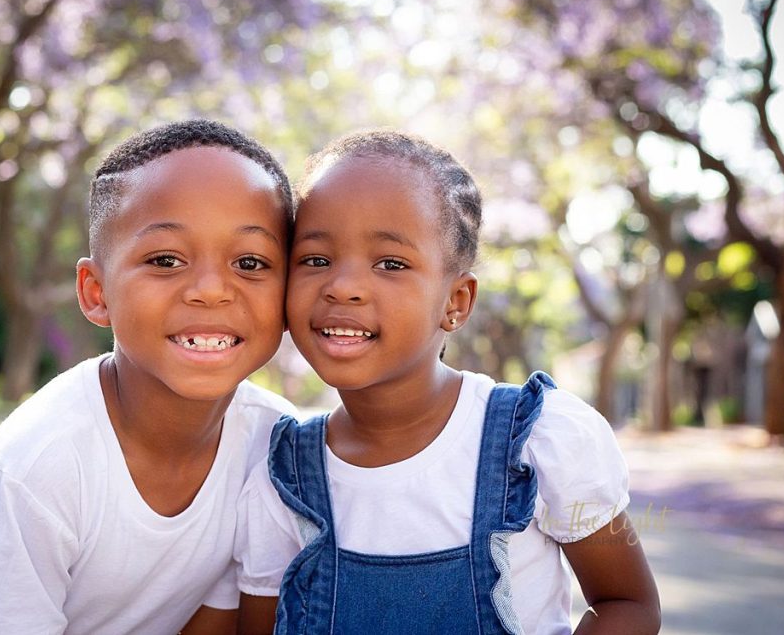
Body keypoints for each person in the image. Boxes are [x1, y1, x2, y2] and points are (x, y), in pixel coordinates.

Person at [0, 120, 296, 635]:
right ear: (96, 292)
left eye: (250, 262)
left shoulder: (274, 447)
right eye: (165, 259)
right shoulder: (45, 463)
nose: (210, 289)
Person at [234, 130, 660, 634]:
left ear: (456, 302)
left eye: (390, 263)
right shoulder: (282, 476)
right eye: (316, 260)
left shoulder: (539, 440)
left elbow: (628, 604)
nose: (343, 286)